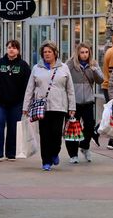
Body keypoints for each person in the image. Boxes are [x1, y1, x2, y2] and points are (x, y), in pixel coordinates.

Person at [22, 41, 75, 171]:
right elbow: (30, 88)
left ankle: (55, 152)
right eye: (45, 52)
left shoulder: (63, 68)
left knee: (56, 134)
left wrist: (72, 107)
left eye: (49, 52)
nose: (47, 54)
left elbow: (70, 89)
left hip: (59, 106)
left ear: (55, 53)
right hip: (42, 107)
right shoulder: (36, 68)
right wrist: (25, 107)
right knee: (44, 135)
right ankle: (46, 161)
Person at [0, 40, 31, 162]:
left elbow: (28, 84)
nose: (11, 50)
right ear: (6, 49)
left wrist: (27, 100)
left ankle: (11, 153)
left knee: (13, 127)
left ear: (18, 50)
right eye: (9, 47)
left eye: (14, 48)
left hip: (17, 101)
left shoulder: (23, 66)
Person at [65, 43, 104, 163]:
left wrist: (95, 70)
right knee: (72, 128)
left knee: (89, 126)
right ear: (77, 53)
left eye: (86, 52)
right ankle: (73, 155)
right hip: (73, 103)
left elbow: (100, 80)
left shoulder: (93, 64)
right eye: (82, 52)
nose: (84, 55)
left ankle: (85, 146)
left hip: (88, 101)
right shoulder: (70, 64)